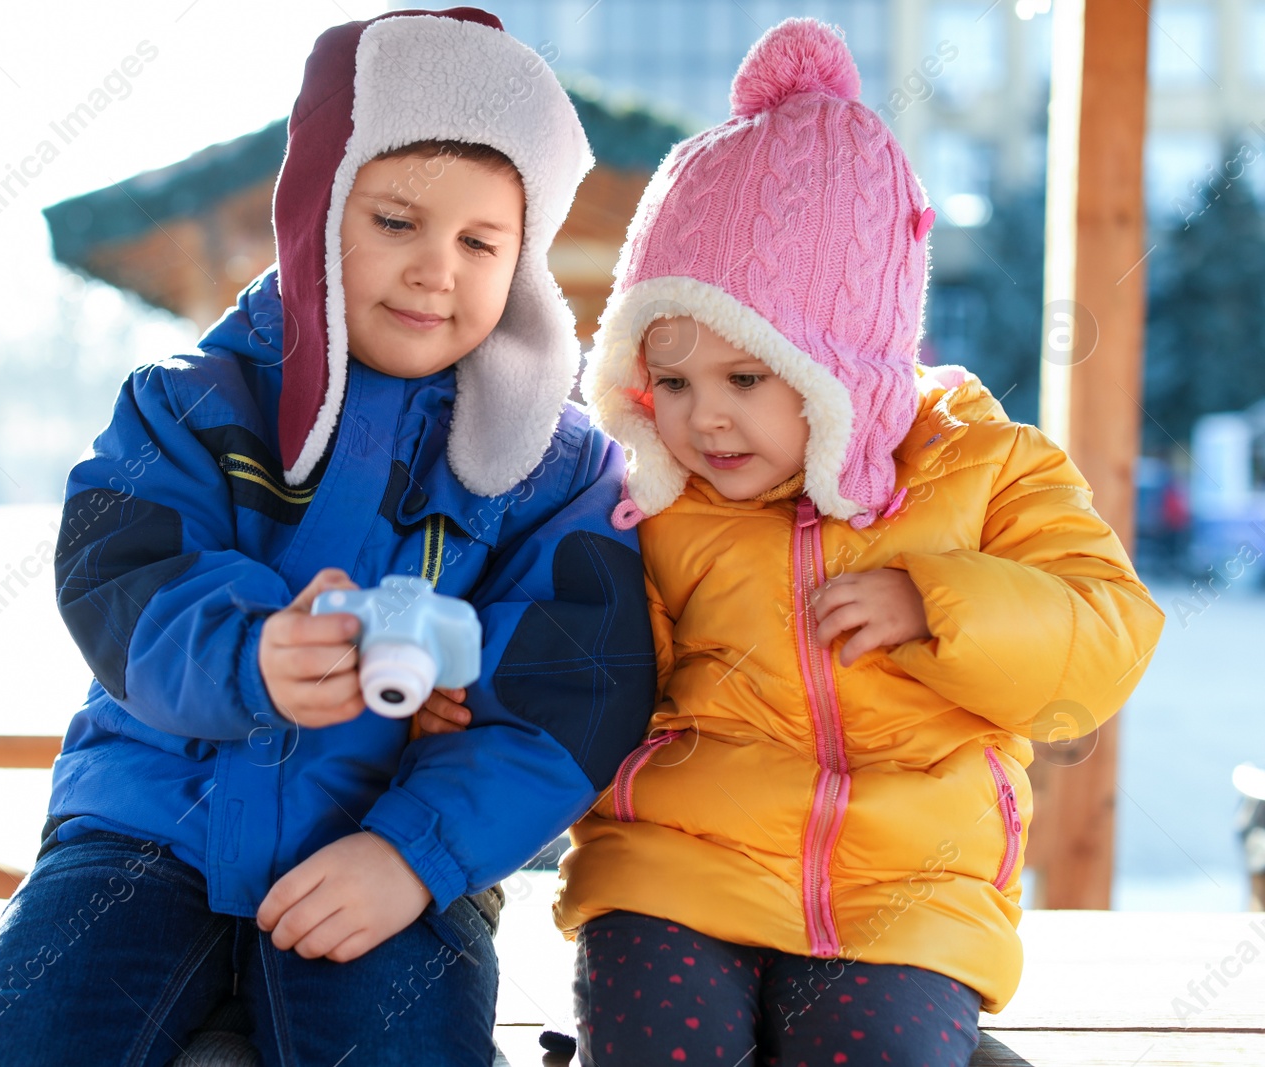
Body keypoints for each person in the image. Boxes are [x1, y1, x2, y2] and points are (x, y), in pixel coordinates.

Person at [423, 18, 1166, 1066]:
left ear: (845, 364)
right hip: (676, 866)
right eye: (670, 382)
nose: (704, 419)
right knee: (661, 1042)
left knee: (873, 1045)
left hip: (903, 890)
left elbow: (1107, 634)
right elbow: (583, 659)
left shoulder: (988, 467)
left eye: (746, 378)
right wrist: (481, 694)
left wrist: (940, 603)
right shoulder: (647, 500)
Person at [0, 10, 656, 1067]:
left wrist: (415, 855)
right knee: (20, 1042)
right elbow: (120, 574)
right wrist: (252, 650)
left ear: (523, 258)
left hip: (390, 845)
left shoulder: (558, 472)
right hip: (144, 831)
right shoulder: (190, 406)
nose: (435, 270)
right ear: (316, 213)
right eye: (397, 221)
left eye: (479, 241)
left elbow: (572, 689)